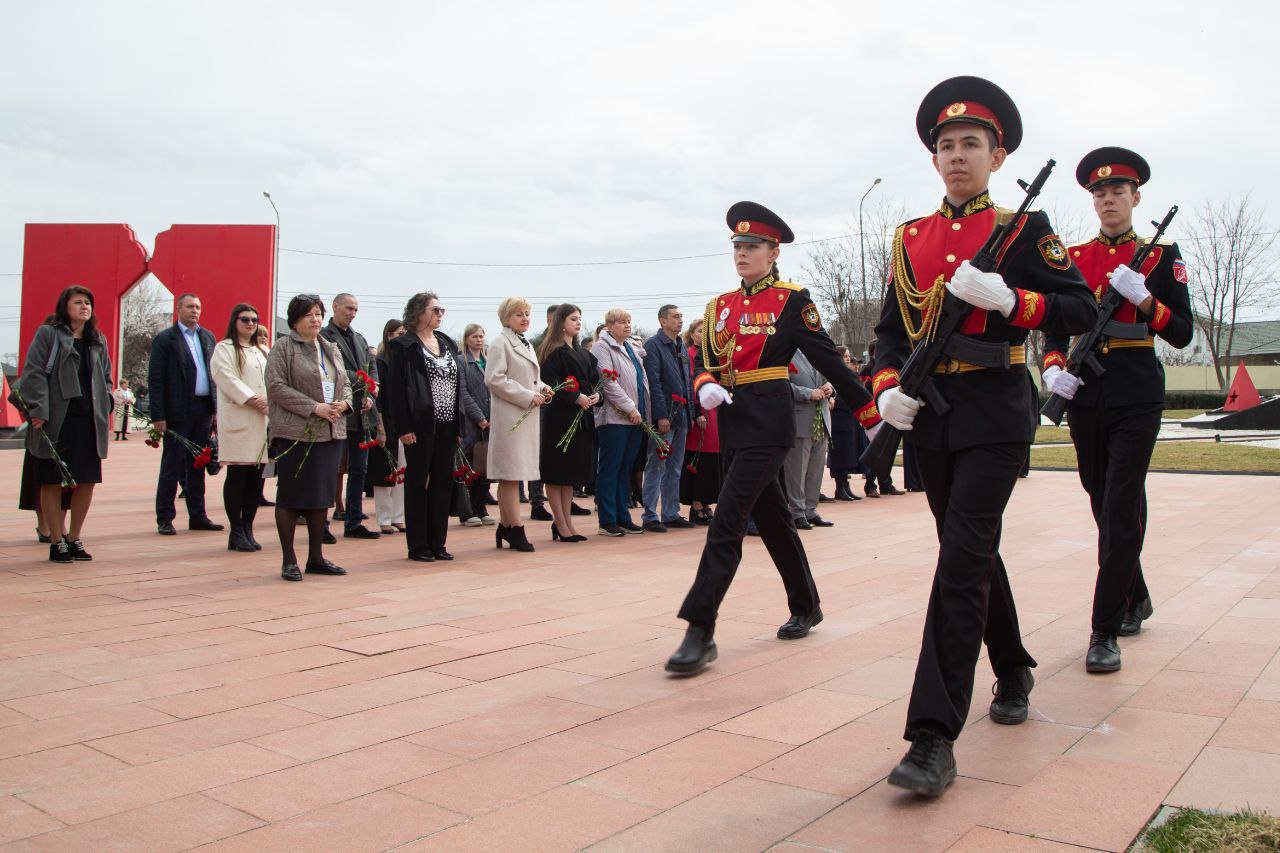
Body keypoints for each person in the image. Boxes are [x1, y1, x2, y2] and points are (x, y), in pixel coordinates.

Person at [872, 77, 1097, 796]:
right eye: (947, 145)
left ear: (998, 156)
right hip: (932, 412)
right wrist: (886, 394)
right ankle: (1015, 663)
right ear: (934, 159)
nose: (958, 155)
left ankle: (933, 734)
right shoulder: (911, 238)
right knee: (967, 549)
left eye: (973, 143)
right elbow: (884, 336)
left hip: (997, 408)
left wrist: (1015, 301)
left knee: (961, 560)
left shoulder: (1026, 229)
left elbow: (1080, 306)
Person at [666, 202, 879, 674]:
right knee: (775, 518)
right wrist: (705, 385)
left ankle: (700, 629)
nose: (741, 254)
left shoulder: (791, 300)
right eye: (737, 246)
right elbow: (703, 360)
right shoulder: (720, 305)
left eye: (751, 246)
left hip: (771, 420)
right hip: (734, 421)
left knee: (728, 520)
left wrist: (870, 412)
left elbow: (826, 356)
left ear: (772, 251)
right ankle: (806, 605)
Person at [1042, 147, 1194, 673]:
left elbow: (1181, 332)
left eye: (1118, 192)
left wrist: (1148, 301)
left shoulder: (1159, 255)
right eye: (1100, 193)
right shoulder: (1075, 258)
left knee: (1121, 501)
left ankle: (1105, 627)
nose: (1108, 199)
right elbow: (1056, 326)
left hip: (1136, 389)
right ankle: (1136, 592)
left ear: (1136, 198)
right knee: (1100, 495)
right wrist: (1053, 365)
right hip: (1085, 389)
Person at [14, 286, 113, 562]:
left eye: (88, 303)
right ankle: (56, 540)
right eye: (78, 302)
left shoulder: (98, 340)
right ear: (65, 306)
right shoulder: (49, 334)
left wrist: (107, 400)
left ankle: (74, 537)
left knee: (87, 480)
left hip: (89, 421)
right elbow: (33, 373)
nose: (84, 307)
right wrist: (39, 410)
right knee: (51, 480)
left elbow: (106, 376)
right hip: (56, 419)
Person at [266, 295, 353, 581]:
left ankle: (316, 557)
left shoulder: (330, 348)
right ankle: (289, 559)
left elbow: (346, 383)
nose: (315, 319)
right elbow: (276, 386)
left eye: (318, 314)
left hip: (330, 431)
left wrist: (345, 404)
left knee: (321, 497)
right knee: (291, 497)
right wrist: (313, 407)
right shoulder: (283, 347)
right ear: (295, 319)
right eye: (308, 315)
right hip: (297, 433)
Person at [385, 292, 469, 562]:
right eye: (435, 309)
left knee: (443, 482)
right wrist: (403, 426)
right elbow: (396, 390)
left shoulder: (446, 343)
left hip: (447, 423)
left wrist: (459, 424)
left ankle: (438, 543)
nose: (440, 314)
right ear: (419, 312)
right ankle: (418, 545)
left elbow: (459, 386)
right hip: (419, 425)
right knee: (418, 481)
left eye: (442, 309)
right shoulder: (404, 346)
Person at [148, 293, 223, 535]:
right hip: (177, 411)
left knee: (198, 464)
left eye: (198, 307)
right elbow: (156, 379)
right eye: (190, 306)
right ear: (178, 308)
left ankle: (198, 515)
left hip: (203, 410)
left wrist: (215, 411)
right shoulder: (166, 339)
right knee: (172, 464)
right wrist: (158, 415)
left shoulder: (208, 336)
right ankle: (165, 517)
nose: (195, 311)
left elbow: (214, 375)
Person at [485, 297, 553, 551]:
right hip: (510, 417)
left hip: (524, 416)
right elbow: (494, 379)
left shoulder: (523, 342)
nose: (525, 318)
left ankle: (507, 526)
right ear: (506, 318)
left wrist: (544, 388)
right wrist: (527, 396)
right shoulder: (500, 343)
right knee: (511, 475)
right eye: (519, 314)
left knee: (512, 475)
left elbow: (531, 378)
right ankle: (514, 528)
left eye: (527, 313)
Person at [538, 304, 602, 542]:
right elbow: (549, 383)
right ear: (561, 322)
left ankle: (566, 522)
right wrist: (575, 396)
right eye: (573, 319)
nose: (577, 323)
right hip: (559, 420)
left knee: (569, 475)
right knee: (556, 473)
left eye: (579, 319)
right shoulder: (552, 352)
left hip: (582, 419)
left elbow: (597, 382)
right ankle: (560, 523)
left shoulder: (584, 353)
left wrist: (597, 396)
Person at [210, 302, 270, 552]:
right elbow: (227, 378)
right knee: (238, 476)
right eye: (245, 319)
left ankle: (248, 526)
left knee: (256, 479)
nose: (250, 324)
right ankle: (236, 529)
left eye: (254, 320)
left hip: (263, 420)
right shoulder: (224, 348)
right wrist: (254, 400)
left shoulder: (262, 350)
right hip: (241, 418)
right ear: (235, 321)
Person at [320, 293, 381, 540]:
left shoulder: (360, 338)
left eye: (355, 309)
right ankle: (321, 524)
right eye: (348, 308)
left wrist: (372, 392)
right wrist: (361, 380)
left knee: (359, 470)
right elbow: (331, 369)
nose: (352, 313)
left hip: (362, 412)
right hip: (337, 409)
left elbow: (372, 367)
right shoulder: (324, 337)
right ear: (335, 307)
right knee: (330, 469)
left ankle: (353, 520)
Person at [590, 309, 651, 537]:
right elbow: (608, 382)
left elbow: (639, 378)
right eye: (621, 322)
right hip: (615, 417)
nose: (627, 326)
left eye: (629, 322)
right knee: (610, 468)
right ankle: (607, 520)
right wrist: (630, 407)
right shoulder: (602, 347)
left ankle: (623, 517)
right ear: (609, 325)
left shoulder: (630, 346)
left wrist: (643, 411)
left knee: (626, 468)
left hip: (636, 417)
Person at [641, 305, 697, 532]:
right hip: (666, 416)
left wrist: (692, 413)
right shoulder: (653, 345)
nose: (680, 320)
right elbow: (654, 383)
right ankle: (650, 515)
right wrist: (661, 415)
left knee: (675, 468)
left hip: (682, 415)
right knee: (656, 465)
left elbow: (687, 381)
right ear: (662, 321)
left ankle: (671, 513)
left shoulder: (681, 345)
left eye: (681, 316)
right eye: (675, 317)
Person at [783, 349, 834, 529]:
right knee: (797, 470)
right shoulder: (785, 351)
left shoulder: (814, 350)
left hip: (821, 418)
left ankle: (810, 510)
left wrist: (830, 388)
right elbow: (780, 384)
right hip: (800, 418)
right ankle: (796, 512)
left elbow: (827, 377)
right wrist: (807, 393)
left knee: (815, 469)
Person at [368, 319, 407, 534]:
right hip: (386, 420)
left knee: (402, 471)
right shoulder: (381, 361)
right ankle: (384, 518)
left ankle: (398, 516)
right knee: (385, 472)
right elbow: (378, 398)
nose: (403, 336)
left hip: (404, 422)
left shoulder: (407, 361)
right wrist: (380, 427)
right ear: (389, 335)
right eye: (399, 333)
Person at [681, 319, 720, 524]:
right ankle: (696, 505)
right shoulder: (689, 355)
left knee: (712, 461)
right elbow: (690, 385)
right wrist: (697, 412)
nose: (703, 334)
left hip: (716, 412)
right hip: (700, 411)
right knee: (698, 458)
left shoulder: (713, 354)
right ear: (692, 333)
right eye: (699, 330)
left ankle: (706, 502)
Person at [457, 323, 495, 527]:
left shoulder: (489, 361)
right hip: (471, 423)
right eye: (474, 336)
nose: (478, 340)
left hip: (491, 422)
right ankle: (467, 510)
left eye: (481, 336)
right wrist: (479, 417)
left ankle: (482, 507)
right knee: (470, 466)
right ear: (466, 339)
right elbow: (463, 393)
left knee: (485, 467)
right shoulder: (462, 361)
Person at [858, 341, 905, 498]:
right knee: (875, 449)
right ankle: (870, 485)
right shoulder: (867, 369)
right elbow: (864, 392)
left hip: (886, 412)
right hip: (873, 413)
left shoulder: (888, 367)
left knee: (886, 449)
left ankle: (886, 484)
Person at [827, 346, 865, 502]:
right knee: (840, 454)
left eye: (849, 356)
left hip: (851, 418)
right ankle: (839, 487)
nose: (848, 358)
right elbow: (837, 396)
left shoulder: (850, 373)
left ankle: (845, 485)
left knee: (849, 454)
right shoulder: (833, 373)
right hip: (839, 418)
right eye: (845, 356)